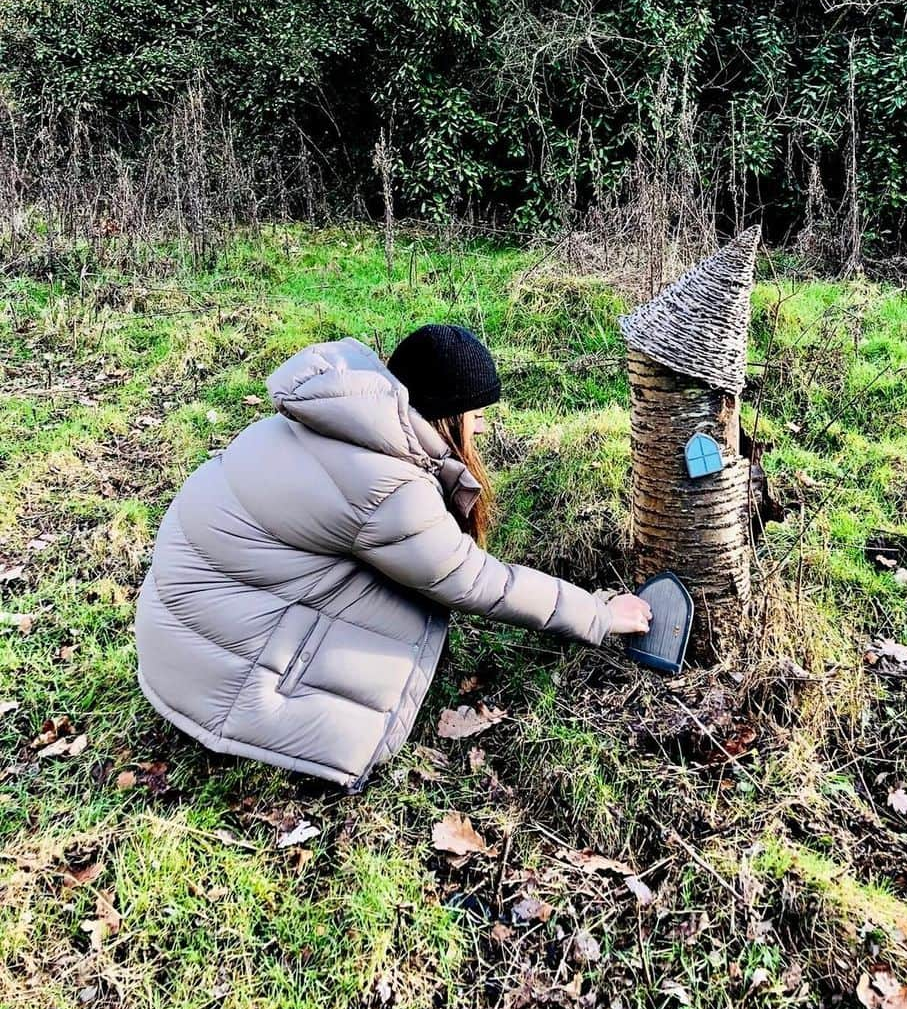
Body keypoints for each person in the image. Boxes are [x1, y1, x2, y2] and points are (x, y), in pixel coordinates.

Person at [134, 325, 651, 791]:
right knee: (416, 600)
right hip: (217, 677)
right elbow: (474, 582)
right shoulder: (386, 488)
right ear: (448, 417)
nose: (483, 430)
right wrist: (600, 614)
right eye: (476, 416)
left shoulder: (331, 419)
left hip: (179, 641)